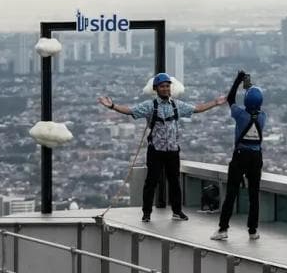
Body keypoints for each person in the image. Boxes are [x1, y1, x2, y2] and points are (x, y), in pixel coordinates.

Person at [97, 72, 226, 222]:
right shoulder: (150, 106)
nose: (165, 89)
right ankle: (146, 213)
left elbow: (196, 109)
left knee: (174, 182)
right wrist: (112, 106)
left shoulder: (176, 105)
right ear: (156, 89)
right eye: (162, 86)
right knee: (151, 182)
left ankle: (177, 211)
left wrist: (215, 103)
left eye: (167, 86)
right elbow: (131, 111)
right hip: (156, 150)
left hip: (172, 150)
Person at [211, 70, 267, 241]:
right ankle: (252, 231)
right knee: (254, 195)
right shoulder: (263, 117)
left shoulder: (240, 114)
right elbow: (254, 103)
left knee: (232, 193)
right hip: (256, 157)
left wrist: (238, 80)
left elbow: (231, 99)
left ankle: (223, 230)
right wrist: (249, 88)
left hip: (240, 155)